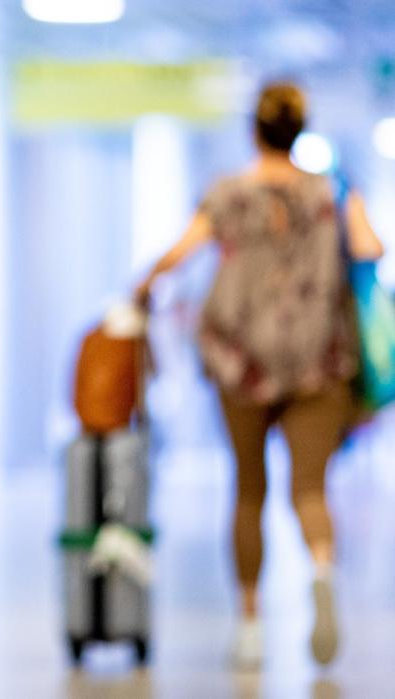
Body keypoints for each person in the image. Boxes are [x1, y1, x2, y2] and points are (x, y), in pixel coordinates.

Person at [136, 82, 384, 669]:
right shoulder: (332, 191)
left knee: (249, 491)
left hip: (239, 360)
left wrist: (146, 284)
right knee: (310, 490)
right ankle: (320, 573)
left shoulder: (227, 195)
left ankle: (249, 624)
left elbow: (181, 253)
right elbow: (371, 249)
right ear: (301, 132)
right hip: (317, 361)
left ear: (254, 131)